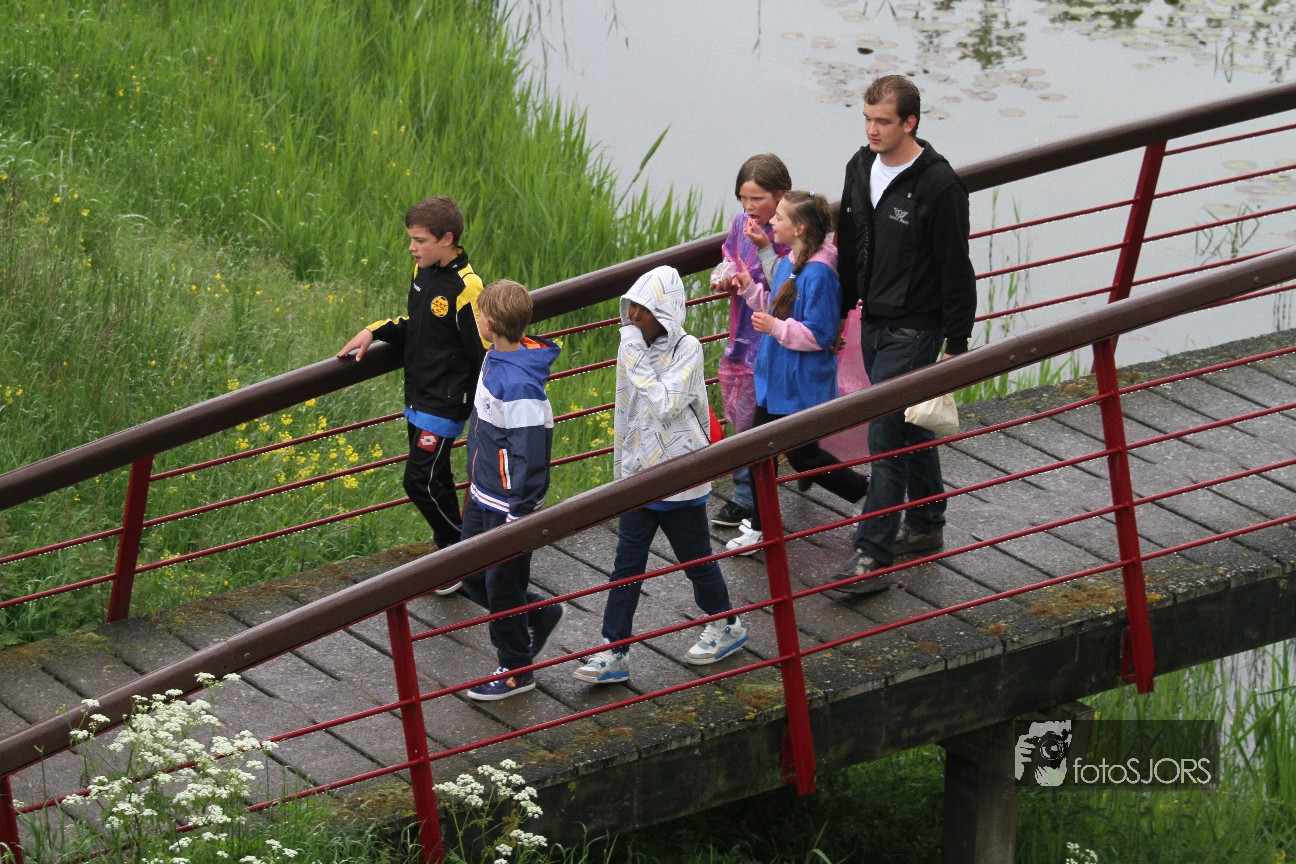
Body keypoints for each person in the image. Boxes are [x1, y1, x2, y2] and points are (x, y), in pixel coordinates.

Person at [831, 75, 977, 595]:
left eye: (883, 121)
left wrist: (957, 344)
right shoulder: (859, 166)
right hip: (873, 320)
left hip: (917, 328)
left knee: (885, 437)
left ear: (910, 122)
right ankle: (927, 523)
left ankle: (872, 556)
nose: (872, 130)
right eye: (867, 119)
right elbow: (850, 243)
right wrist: (841, 310)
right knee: (911, 427)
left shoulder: (939, 186)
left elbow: (956, 266)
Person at [574, 266, 748, 685]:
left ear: (665, 313)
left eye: (644, 309)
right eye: (631, 307)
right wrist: (621, 473)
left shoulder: (688, 350)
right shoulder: (632, 346)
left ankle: (726, 624)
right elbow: (625, 410)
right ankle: (614, 650)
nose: (633, 317)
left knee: (695, 561)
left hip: (678, 479)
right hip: (639, 478)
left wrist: (634, 356)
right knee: (626, 568)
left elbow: (665, 403)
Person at [336, 195, 488, 596]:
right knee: (437, 479)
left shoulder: (467, 287)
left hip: (446, 404)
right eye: (411, 239)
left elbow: (482, 352)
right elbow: (417, 326)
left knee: (418, 482)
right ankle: (457, 555)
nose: (411, 247)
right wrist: (374, 330)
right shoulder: (422, 271)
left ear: (446, 239)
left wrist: (487, 413)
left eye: (420, 240)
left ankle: (460, 554)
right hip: (419, 397)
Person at [724, 191, 870, 556]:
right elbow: (779, 305)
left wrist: (775, 327)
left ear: (800, 228)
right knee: (760, 452)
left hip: (798, 384)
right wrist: (751, 291)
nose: (772, 222)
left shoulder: (819, 273)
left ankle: (865, 495)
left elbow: (820, 334)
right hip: (776, 381)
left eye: (780, 218)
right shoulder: (792, 259)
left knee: (802, 457)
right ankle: (762, 525)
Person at [455, 279, 563, 701]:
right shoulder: (494, 357)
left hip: (509, 505)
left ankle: (517, 669)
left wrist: (520, 512)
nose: (478, 320)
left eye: (480, 314)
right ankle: (538, 612)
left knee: (501, 588)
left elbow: (530, 452)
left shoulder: (519, 385)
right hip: (483, 493)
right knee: (470, 575)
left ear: (490, 324)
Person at [708, 153, 792, 530]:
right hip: (744, 333)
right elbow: (730, 256)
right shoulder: (741, 222)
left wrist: (764, 250)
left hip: (775, 338)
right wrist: (726, 276)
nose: (749, 206)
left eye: (758, 198)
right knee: (744, 416)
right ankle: (749, 496)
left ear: (780, 195)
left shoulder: (790, 231)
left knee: (765, 420)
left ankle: (751, 499)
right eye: (743, 197)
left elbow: (789, 288)